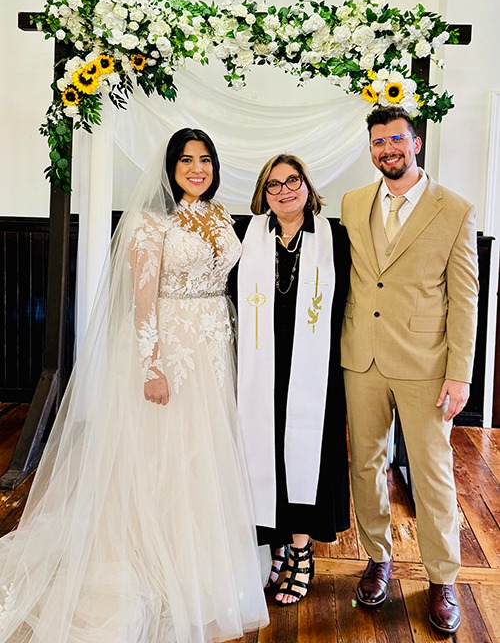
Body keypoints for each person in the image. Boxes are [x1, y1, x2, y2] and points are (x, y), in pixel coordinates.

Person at [0, 129, 268, 643]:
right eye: (186, 160)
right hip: (170, 349)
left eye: (206, 159)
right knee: (160, 455)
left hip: (213, 350)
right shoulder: (150, 225)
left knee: (201, 454)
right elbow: (141, 302)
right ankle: (150, 559)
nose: (197, 168)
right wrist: (152, 365)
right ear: (169, 168)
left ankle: (199, 561)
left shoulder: (220, 216)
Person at [341, 106, 479, 634]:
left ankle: (442, 577)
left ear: (415, 143)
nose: (387, 150)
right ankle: (378, 558)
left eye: (396, 140)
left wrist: (459, 371)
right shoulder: (354, 204)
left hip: (427, 364)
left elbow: (464, 298)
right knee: (366, 466)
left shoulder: (456, 209)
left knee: (432, 473)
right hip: (362, 356)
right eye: (378, 143)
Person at [229, 154, 351, 606]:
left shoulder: (334, 238)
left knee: (305, 454)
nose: (284, 191)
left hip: (314, 370)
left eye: (292, 181)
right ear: (263, 194)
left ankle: (301, 552)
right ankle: (276, 542)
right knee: (263, 452)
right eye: (274, 184)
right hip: (261, 368)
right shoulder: (249, 238)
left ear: (307, 186)